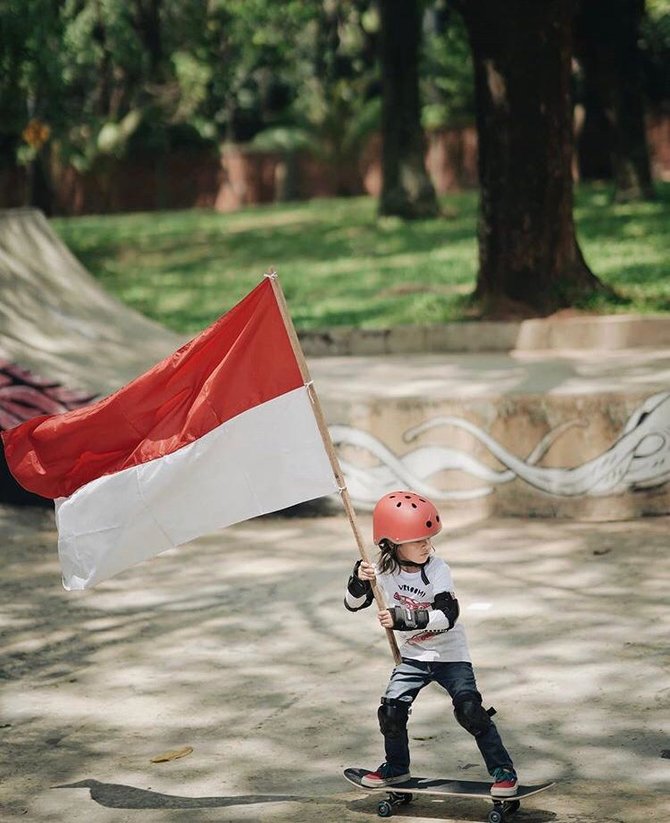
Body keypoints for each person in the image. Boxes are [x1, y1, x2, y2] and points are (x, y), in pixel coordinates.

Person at [344, 490, 518, 798]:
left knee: (469, 710)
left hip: (450, 654)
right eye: (419, 540)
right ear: (392, 542)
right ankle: (396, 769)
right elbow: (352, 603)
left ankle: (503, 770)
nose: (428, 546)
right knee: (391, 712)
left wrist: (403, 618)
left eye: (429, 539)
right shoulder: (381, 571)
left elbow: (447, 615)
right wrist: (358, 578)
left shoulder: (438, 569)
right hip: (413, 656)